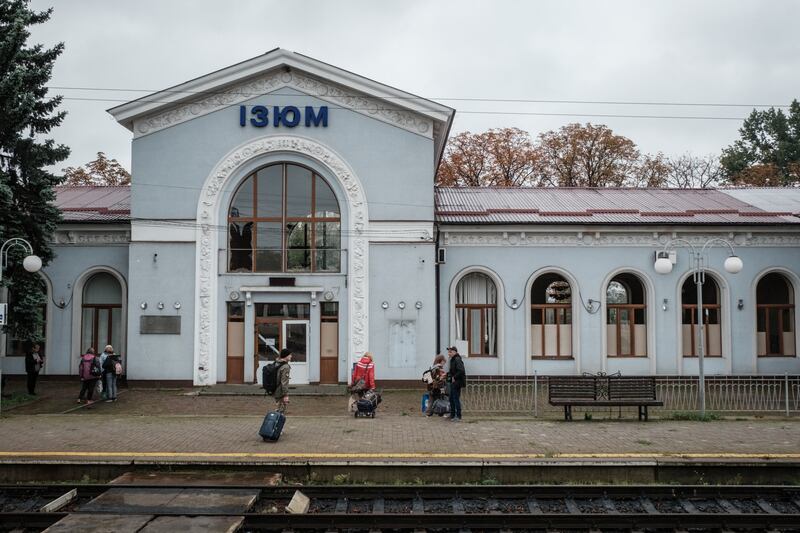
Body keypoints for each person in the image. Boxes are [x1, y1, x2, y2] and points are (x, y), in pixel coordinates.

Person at [446, 346, 466, 421]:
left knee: (455, 399)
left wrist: (454, 377)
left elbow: (461, 370)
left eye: (450, 352)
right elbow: (452, 371)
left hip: (457, 382)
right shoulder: (453, 360)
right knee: (451, 398)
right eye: (448, 352)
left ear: (455, 352)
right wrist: (447, 374)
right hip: (454, 382)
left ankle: (458, 416)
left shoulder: (457, 359)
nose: (449, 353)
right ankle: (452, 414)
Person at [272, 348, 292, 414]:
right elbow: (284, 382)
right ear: (286, 356)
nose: (291, 356)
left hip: (275, 389)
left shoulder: (276, 363)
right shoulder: (285, 366)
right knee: (280, 413)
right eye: (290, 355)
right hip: (281, 392)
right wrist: (285, 395)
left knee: (278, 409)